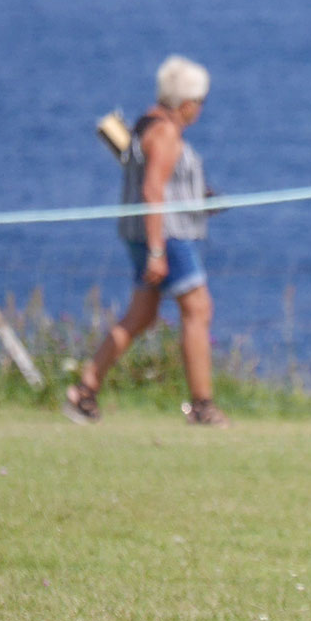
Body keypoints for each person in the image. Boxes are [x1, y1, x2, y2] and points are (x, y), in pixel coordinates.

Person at [63, 55, 229, 428]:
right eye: (200, 103)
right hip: (166, 235)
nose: (200, 110)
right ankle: (202, 404)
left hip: (142, 233)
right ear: (187, 103)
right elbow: (154, 189)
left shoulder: (146, 124)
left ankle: (85, 390)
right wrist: (158, 251)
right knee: (198, 309)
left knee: (141, 315)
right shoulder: (167, 133)